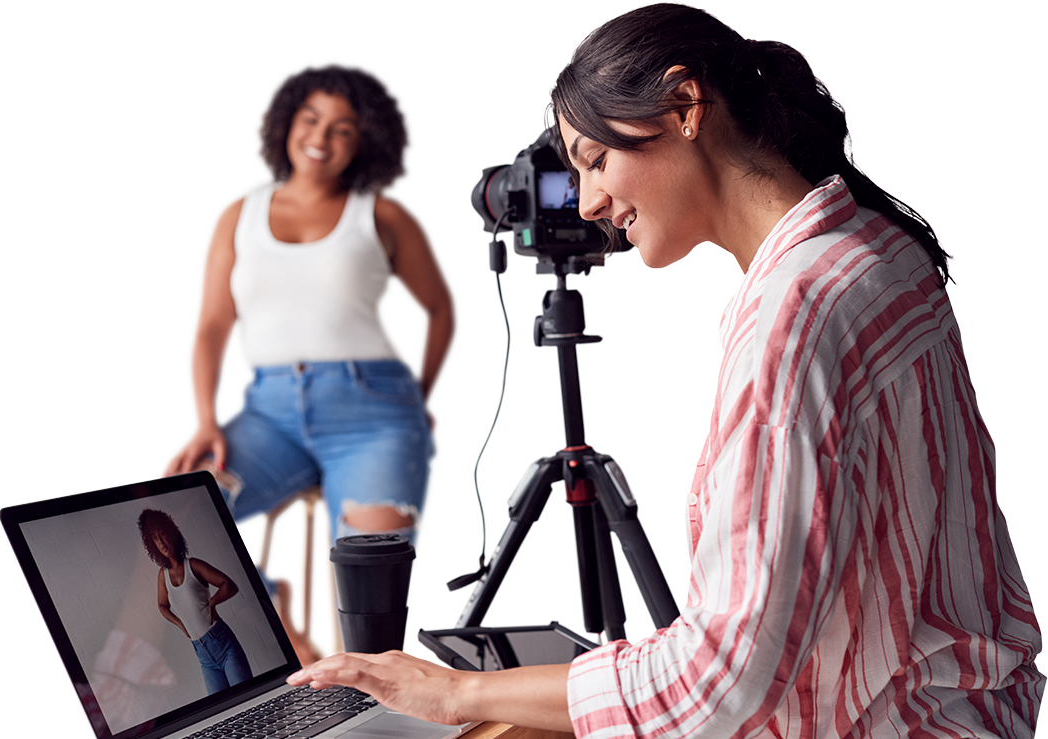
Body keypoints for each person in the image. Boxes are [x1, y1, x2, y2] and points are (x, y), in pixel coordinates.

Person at [287, 5, 1044, 737]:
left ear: (685, 104)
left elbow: (718, 683)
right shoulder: (873, 249)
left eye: (596, 159)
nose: (586, 202)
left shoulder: (795, 316)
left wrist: (455, 691)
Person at [158, 60, 460, 663]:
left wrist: (417, 401)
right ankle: (280, 616)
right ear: (286, 121)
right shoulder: (238, 214)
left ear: (367, 139)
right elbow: (212, 325)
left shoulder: (383, 213)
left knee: (371, 587)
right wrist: (205, 421)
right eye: (312, 119)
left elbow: (441, 311)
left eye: (344, 128)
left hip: (375, 413)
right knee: (172, 512)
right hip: (269, 413)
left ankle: (356, 699)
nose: (322, 138)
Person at [138, 509, 254, 695]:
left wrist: (212, 603)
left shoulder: (193, 565)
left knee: (247, 699)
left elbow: (229, 585)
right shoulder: (163, 575)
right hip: (202, 653)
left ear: (171, 533)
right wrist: (181, 624)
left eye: (162, 534)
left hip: (222, 642)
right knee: (221, 711)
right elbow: (162, 605)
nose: (160, 542)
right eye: (155, 538)